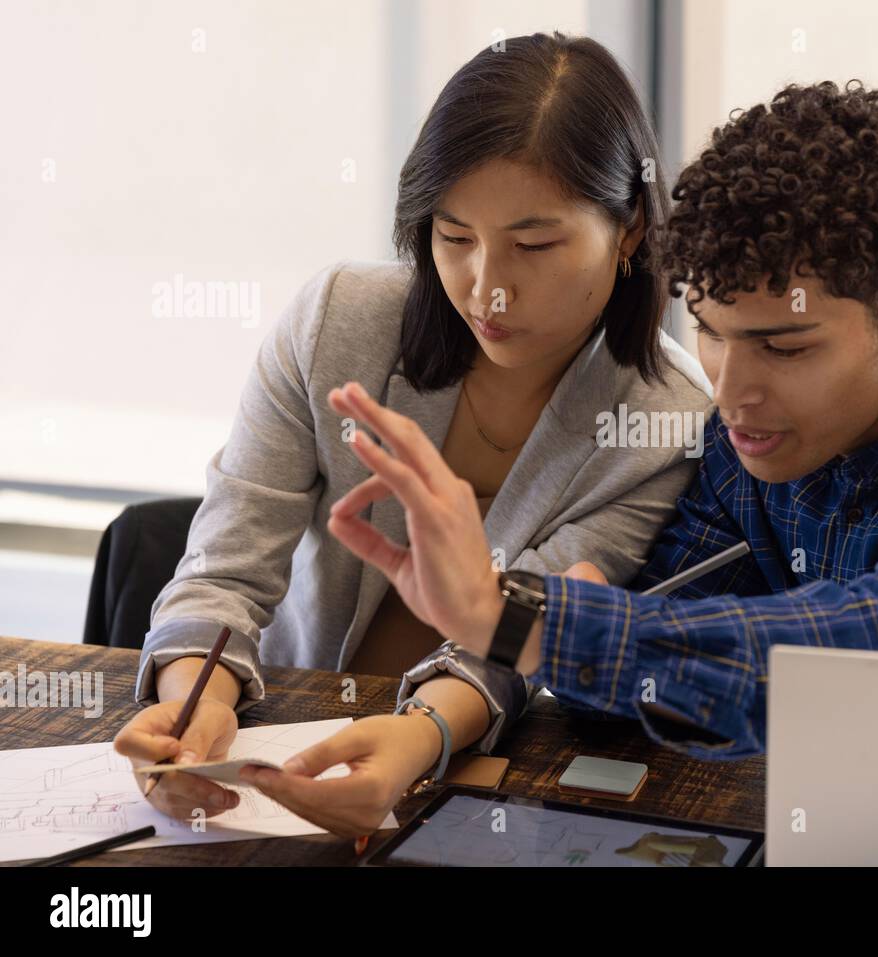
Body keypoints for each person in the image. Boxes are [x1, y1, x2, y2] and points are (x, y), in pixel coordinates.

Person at [268, 80, 878, 819]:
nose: (729, 389)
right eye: (716, 332)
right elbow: (647, 662)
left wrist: (520, 617)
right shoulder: (746, 447)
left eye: (785, 345)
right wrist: (522, 650)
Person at [112, 32, 712, 833]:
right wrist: (191, 706)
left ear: (632, 229)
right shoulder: (337, 324)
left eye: (534, 243)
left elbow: (526, 634)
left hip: (480, 785)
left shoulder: (665, 425)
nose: (486, 286)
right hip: (268, 752)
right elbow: (223, 571)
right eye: (454, 235)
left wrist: (421, 736)